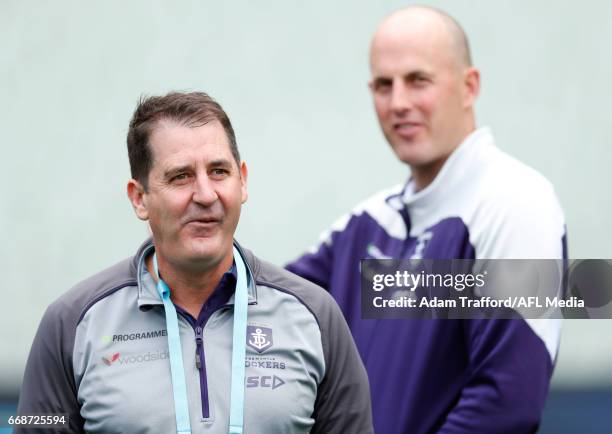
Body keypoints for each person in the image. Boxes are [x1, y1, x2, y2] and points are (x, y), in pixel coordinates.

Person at [16, 92, 373, 434]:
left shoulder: (316, 317)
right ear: (139, 198)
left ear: (243, 181)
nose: (205, 195)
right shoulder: (70, 325)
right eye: (180, 176)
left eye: (219, 172)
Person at [287, 6, 567, 434]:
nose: (398, 103)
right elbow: (260, 312)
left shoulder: (519, 201)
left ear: (469, 86)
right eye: (384, 85)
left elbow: (507, 403)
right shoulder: (362, 225)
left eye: (418, 80)